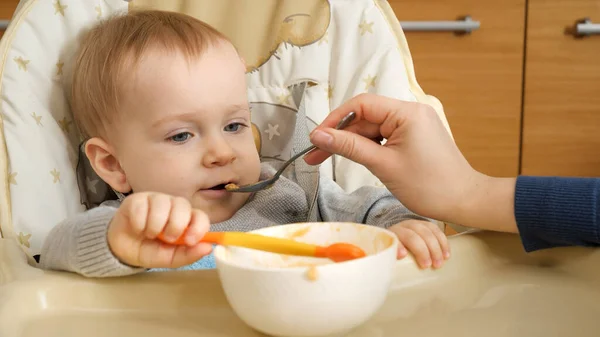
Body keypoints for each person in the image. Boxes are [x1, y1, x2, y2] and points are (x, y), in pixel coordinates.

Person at [38, 10, 450, 278]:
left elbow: (371, 206)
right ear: (113, 164)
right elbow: (56, 250)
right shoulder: (132, 223)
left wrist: (402, 225)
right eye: (181, 135)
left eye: (234, 126)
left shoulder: (292, 194)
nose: (222, 152)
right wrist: (117, 242)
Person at [304, 93, 600, 252]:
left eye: (254, 125)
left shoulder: (297, 189)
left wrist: (398, 225)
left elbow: (368, 207)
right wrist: (470, 194)